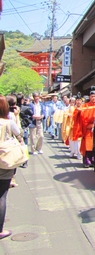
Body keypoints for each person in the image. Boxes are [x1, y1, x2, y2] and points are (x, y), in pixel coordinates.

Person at [0, 95, 24, 240]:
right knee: (2, 194)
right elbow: (19, 132)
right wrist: (16, 117)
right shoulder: (8, 122)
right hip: (4, 160)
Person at [77, 87, 95, 168]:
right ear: (90, 96)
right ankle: (87, 161)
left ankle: (94, 161)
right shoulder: (85, 106)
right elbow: (82, 117)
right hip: (88, 129)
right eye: (92, 96)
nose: (93, 98)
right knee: (88, 146)